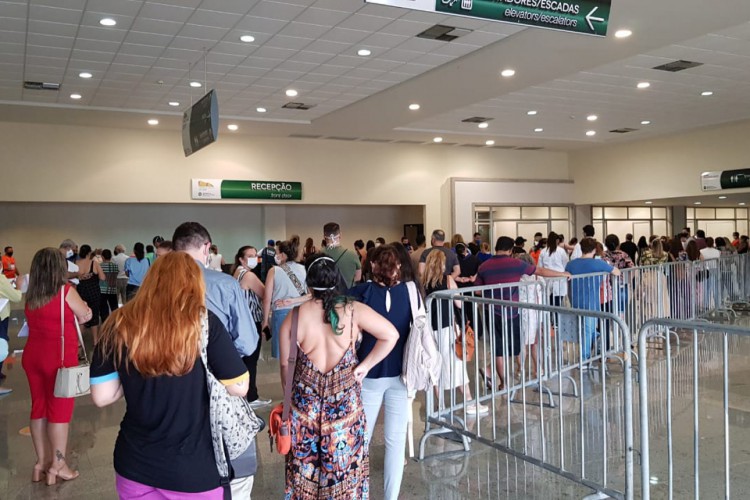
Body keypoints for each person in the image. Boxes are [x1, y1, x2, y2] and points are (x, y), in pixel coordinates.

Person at [90, 252, 249, 499]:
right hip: (194, 470)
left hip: (135, 465)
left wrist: (135, 369)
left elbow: (102, 396)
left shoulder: (118, 323)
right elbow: (240, 386)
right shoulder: (204, 323)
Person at [280, 253, 397, 499]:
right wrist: (365, 365)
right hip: (345, 413)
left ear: (308, 284)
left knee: (304, 476)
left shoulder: (294, 317)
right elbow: (391, 335)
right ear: (337, 280)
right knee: (346, 475)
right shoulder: (354, 311)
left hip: (306, 413)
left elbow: (285, 368)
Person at [172, 222, 260, 498]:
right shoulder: (223, 283)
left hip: (168, 383)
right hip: (221, 381)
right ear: (207, 248)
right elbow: (248, 341)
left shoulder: (157, 285)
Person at [349, 245, 414, 500]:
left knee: (360, 441)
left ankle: (359, 494)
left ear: (373, 266)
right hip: (402, 373)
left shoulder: (361, 292)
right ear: (398, 266)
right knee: (396, 443)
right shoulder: (412, 293)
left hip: (367, 374)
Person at [23, 248, 92, 485]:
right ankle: (59, 465)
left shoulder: (32, 295)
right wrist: (87, 310)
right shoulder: (65, 292)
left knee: (39, 408)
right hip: (59, 359)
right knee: (59, 413)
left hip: (32, 357)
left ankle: (40, 463)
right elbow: (84, 316)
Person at [475, 237, 571, 390]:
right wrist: (562, 274)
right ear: (511, 250)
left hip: (491, 311)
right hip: (511, 311)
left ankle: (502, 383)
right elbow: (540, 271)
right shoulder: (516, 263)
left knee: (500, 348)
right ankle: (493, 373)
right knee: (513, 347)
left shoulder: (484, 266)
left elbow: (478, 290)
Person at [172, 222, 258, 359]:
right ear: (207, 248)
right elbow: (247, 343)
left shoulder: (154, 283)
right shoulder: (226, 284)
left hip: (167, 368)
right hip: (215, 367)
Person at [423, 250, 488, 415]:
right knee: (457, 364)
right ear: (442, 264)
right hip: (447, 327)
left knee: (435, 365)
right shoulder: (448, 279)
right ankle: (468, 402)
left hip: (431, 327)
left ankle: (442, 405)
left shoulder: (424, 281)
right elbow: (458, 303)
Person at [565, 238, 621, 361]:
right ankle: (585, 358)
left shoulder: (571, 264)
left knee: (584, 328)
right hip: (591, 302)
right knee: (588, 329)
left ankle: (597, 338)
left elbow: (567, 281)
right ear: (595, 249)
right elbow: (617, 272)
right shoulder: (599, 263)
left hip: (575, 300)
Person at [232, 246, 271, 408]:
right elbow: (265, 294)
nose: (254, 258)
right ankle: (252, 396)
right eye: (250, 256)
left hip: (242, 321)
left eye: (256, 255)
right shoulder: (248, 275)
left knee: (245, 358)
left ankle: (245, 393)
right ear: (241, 259)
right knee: (251, 359)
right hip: (251, 320)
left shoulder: (237, 272)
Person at [262, 236, 307, 359]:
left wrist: (265, 322)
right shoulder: (304, 269)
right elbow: (310, 295)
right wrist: (294, 300)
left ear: (283, 255)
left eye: (277, 253)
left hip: (280, 314)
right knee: (300, 352)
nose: (275, 256)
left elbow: (267, 299)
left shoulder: (274, 271)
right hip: (301, 313)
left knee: (283, 355)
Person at [0, 267, 24, 390]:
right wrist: (18, 286)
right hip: (1, 317)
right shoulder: (1, 279)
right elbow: (16, 297)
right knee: (1, 346)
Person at [75, 245, 106, 340]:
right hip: (93, 292)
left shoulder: (75, 263)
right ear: (89, 253)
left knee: (81, 317)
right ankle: (95, 340)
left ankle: (78, 341)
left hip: (80, 293)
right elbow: (102, 277)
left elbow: (71, 278)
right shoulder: (94, 263)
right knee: (94, 316)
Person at [322, 222, 362, 288]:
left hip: (327, 296)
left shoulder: (318, 255)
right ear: (340, 235)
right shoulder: (352, 255)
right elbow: (358, 277)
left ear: (324, 237)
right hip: (348, 295)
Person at [538, 231, 569, 307]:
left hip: (547, 280)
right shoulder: (561, 251)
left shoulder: (543, 252)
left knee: (548, 303)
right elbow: (566, 265)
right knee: (557, 303)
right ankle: (556, 318)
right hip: (559, 280)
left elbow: (540, 266)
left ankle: (550, 318)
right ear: (557, 241)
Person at [98, 249, 120, 325]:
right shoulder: (115, 266)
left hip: (102, 289)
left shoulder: (100, 266)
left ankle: (105, 323)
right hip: (113, 289)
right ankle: (116, 322)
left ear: (102, 257)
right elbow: (116, 275)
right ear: (110, 257)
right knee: (114, 307)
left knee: (104, 308)